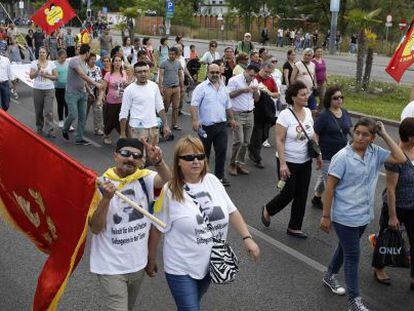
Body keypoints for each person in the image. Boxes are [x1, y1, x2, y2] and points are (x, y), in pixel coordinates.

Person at [146, 135, 260, 311]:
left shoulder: (213, 181)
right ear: (178, 162)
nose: (196, 161)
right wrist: (151, 258)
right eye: (189, 157)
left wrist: (247, 237)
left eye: (200, 156)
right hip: (180, 267)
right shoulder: (170, 190)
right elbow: (157, 227)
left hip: (210, 263)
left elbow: (232, 211)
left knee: (191, 305)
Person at [320, 118, 405, 311]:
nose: (359, 137)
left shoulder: (375, 153)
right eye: (357, 132)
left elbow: (400, 158)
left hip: (363, 215)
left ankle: (329, 275)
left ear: (372, 138)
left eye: (365, 134)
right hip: (345, 216)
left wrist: (384, 133)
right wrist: (326, 216)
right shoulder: (342, 157)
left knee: (344, 248)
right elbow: (330, 187)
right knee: (352, 255)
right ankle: (354, 301)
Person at [89, 137, 171, 311]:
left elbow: (166, 178)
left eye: (136, 156)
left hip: (137, 265)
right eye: (125, 154)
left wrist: (158, 161)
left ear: (142, 161)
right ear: (115, 156)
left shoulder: (145, 179)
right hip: (110, 266)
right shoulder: (100, 183)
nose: (131, 159)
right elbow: (95, 228)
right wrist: (106, 199)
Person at [261, 81, 321, 238]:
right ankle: (268, 209)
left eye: (306, 93)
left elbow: (312, 133)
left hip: (305, 160)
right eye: (302, 94)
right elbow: (279, 140)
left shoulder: (308, 112)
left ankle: (294, 227)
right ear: (294, 97)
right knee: (288, 193)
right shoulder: (285, 115)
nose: (306, 96)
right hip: (288, 161)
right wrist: (282, 164)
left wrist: (318, 153)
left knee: (302, 194)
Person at [371, 117, 414, 289]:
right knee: (385, 238)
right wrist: (393, 216)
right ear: (410, 137)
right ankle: (379, 268)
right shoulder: (394, 158)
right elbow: (390, 189)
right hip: (396, 206)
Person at [190, 63, 236, 187]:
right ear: (208, 73)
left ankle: (219, 177)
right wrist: (194, 121)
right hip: (205, 127)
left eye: (217, 72)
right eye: (212, 72)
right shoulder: (201, 88)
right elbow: (194, 105)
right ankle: (203, 177)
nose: (215, 74)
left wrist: (231, 119)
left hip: (221, 126)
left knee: (222, 151)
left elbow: (228, 105)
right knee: (204, 153)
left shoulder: (223, 87)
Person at [311, 87, 352, 209]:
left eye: (341, 97)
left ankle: (317, 197)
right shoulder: (324, 116)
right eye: (335, 98)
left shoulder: (344, 112)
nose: (339, 100)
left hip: (343, 155)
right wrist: (318, 154)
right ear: (329, 99)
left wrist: (360, 141)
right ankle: (336, 212)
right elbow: (315, 135)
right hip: (327, 156)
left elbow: (350, 129)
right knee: (332, 184)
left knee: (325, 178)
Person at [120, 61, 170, 143]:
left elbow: (160, 107)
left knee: (153, 155)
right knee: (139, 155)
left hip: (153, 127)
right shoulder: (129, 90)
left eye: (145, 71)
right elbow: (124, 112)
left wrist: (165, 125)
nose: (143, 74)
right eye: (139, 72)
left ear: (148, 72)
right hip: (136, 128)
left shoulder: (154, 86)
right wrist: (122, 133)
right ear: (134, 74)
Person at [62, 44, 103, 145]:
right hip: (72, 93)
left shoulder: (84, 63)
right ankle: (65, 128)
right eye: (90, 53)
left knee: (82, 117)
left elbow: (83, 80)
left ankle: (79, 138)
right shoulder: (74, 61)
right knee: (73, 114)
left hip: (83, 93)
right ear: (87, 52)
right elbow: (81, 74)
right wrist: (95, 83)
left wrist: (90, 92)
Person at [227, 65, 260, 176]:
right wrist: (242, 90)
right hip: (237, 113)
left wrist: (255, 91)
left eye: (254, 75)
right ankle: (232, 164)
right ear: (245, 71)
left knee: (246, 142)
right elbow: (228, 95)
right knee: (239, 141)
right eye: (250, 75)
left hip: (250, 114)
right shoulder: (234, 80)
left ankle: (240, 164)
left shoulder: (255, 81)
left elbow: (257, 99)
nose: (252, 77)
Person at [248, 62, 279, 168]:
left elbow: (276, 94)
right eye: (266, 71)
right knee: (257, 134)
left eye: (270, 73)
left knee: (265, 135)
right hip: (256, 110)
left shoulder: (270, 80)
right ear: (261, 69)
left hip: (267, 111)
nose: (267, 74)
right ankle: (257, 158)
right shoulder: (254, 78)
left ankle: (251, 148)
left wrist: (269, 93)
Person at [97, 55, 127, 145]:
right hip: (111, 102)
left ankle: (123, 136)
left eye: (119, 61)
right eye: (116, 61)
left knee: (122, 119)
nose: (118, 63)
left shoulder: (124, 73)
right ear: (113, 63)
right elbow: (103, 88)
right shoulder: (108, 74)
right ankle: (107, 135)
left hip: (122, 102)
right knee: (110, 120)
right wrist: (99, 99)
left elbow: (128, 86)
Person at [29, 47, 58, 137]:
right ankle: (39, 127)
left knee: (48, 111)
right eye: (40, 52)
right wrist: (38, 70)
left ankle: (49, 130)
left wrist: (46, 75)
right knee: (38, 111)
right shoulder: (34, 63)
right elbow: (31, 76)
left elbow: (56, 77)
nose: (42, 54)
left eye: (43, 52)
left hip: (49, 89)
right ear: (38, 54)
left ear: (47, 54)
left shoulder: (51, 64)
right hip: (37, 89)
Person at [158, 46, 184, 131]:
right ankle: (161, 123)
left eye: (173, 54)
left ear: (176, 55)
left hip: (176, 88)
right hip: (167, 88)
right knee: (165, 107)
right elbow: (161, 76)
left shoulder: (178, 63)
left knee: (176, 107)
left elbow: (180, 75)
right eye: (170, 54)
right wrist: (160, 87)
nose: (171, 55)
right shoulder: (164, 63)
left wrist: (182, 87)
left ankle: (174, 124)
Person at [290, 48, 317, 115]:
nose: (307, 57)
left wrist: (315, 84)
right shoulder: (298, 64)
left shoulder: (313, 65)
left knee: (313, 111)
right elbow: (292, 79)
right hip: (301, 94)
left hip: (311, 92)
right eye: (305, 55)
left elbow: (314, 76)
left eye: (309, 55)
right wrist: (294, 90)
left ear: (312, 56)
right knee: (302, 111)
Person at [86, 53, 104, 136]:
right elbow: (84, 82)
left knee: (98, 111)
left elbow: (100, 80)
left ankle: (98, 129)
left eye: (94, 59)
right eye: (91, 59)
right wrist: (90, 92)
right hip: (86, 92)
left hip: (96, 92)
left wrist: (101, 93)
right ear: (88, 60)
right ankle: (81, 127)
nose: (93, 61)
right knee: (84, 112)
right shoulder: (84, 68)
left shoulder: (98, 68)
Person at [55, 49, 70, 129]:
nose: (63, 59)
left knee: (67, 104)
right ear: (58, 57)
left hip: (67, 87)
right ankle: (60, 120)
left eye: (65, 57)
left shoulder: (67, 63)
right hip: (58, 87)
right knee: (60, 104)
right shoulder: (55, 64)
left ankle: (68, 122)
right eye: (62, 57)